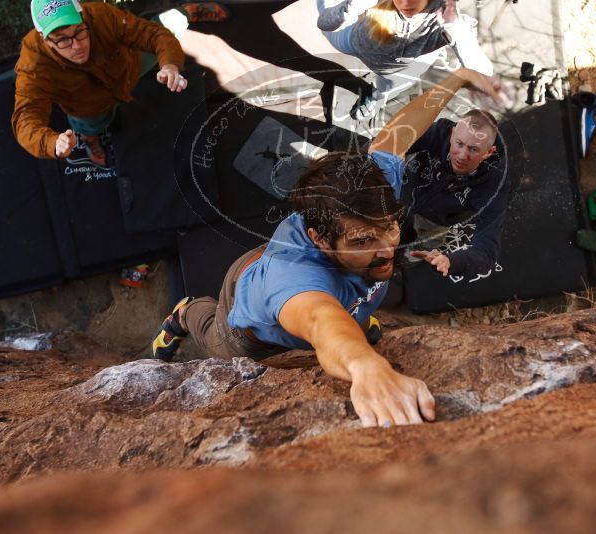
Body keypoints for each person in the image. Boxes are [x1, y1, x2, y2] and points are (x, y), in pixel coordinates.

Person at [151, 67, 501, 428]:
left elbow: (398, 134)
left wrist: (457, 76)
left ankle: (360, 315)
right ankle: (183, 313)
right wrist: (365, 365)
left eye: (390, 228)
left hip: (282, 265)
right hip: (249, 326)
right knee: (212, 330)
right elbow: (322, 321)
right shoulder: (296, 282)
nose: (385, 251)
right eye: (363, 240)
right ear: (320, 238)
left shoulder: (368, 199)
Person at [12, 0, 228, 166]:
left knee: (168, 28)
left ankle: (187, 11)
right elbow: (25, 120)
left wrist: (170, 64)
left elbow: (151, 34)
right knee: (90, 127)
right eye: (62, 39)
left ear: (83, 17)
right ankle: (90, 141)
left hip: (129, 68)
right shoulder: (33, 64)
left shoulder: (100, 16)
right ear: (44, 39)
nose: (76, 45)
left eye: (78, 32)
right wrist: (51, 143)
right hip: (89, 107)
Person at [317, 0, 493, 119]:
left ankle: (375, 101)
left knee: (385, 92)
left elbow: (483, 74)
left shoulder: (446, 20)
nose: (405, 3)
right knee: (325, 6)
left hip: (399, 73)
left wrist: (454, 28)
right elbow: (324, 24)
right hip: (353, 43)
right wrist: (352, 6)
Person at [402, 109, 509, 279]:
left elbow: (487, 250)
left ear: (488, 152)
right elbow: (394, 141)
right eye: (459, 144)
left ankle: (404, 264)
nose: (462, 156)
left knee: (421, 247)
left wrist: (453, 261)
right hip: (404, 193)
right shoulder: (439, 132)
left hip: (436, 220)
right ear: (452, 135)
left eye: (473, 150)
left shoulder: (494, 185)